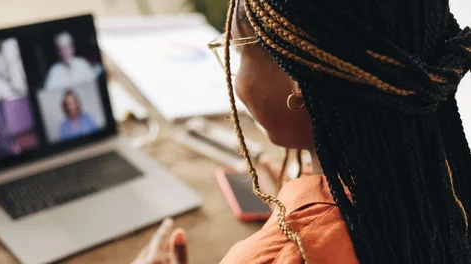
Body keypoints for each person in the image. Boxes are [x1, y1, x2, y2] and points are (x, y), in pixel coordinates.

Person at [133, 0, 471, 263]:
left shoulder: (282, 255)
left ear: (297, 77)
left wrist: (301, 222)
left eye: (237, 51)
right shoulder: (446, 185)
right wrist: (301, 200)